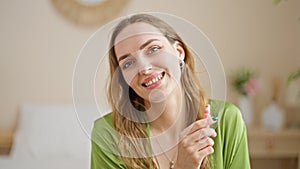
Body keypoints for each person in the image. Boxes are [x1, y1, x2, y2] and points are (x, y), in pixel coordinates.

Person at [90, 13, 250, 169]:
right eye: (128, 63)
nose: (144, 69)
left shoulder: (226, 120)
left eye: (153, 49)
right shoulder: (107, 134)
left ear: (179, 52)